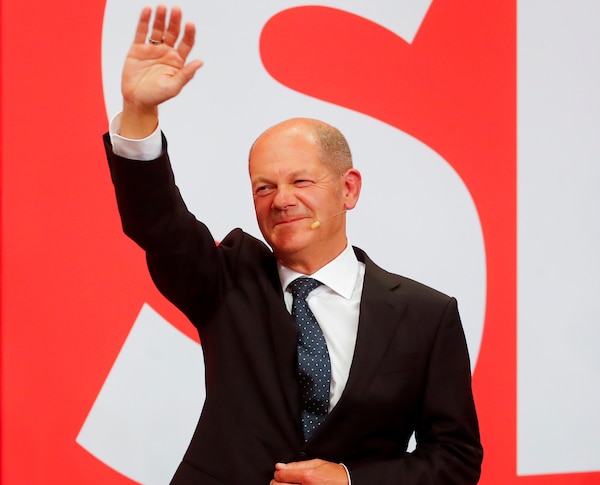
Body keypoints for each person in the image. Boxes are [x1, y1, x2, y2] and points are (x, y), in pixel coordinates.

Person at [103, 5, 482, 484]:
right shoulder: (226, 281)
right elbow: (157, 222)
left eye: (301, 180)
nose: (282, 200)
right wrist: (139, 113)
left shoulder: (427, 316)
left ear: (349, 189)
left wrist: (348, 480)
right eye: (264, 187)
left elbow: (455, 459)